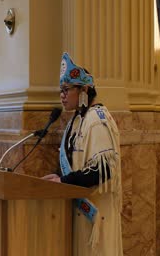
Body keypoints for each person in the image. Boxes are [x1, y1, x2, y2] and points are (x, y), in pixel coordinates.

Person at [42, 53, 123, 256]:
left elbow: (102, 171)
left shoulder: (96, 120)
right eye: (61, 90)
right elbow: (73, 162)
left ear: (84, 90)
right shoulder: (77, 120)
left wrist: (65, 181)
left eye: (67, 90)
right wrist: (59, 178)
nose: (62, 95)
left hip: (97, 216)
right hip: (81, 213)